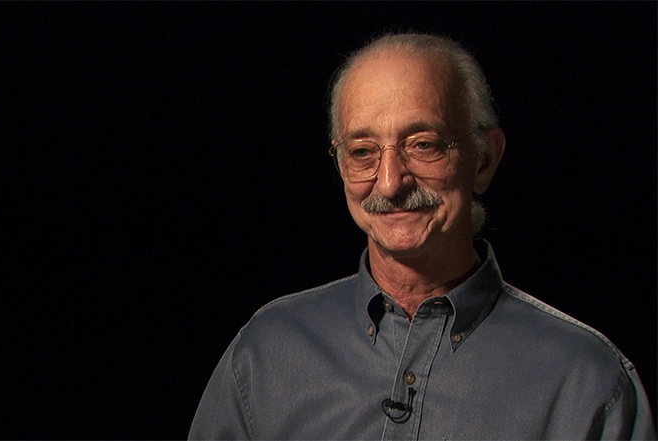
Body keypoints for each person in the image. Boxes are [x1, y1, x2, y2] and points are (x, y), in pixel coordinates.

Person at [188, 33, 656, 440]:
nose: (390, 182)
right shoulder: (266, 353)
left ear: (484, 160)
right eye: (363, 151)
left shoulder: (586, 381)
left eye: (423, 145)